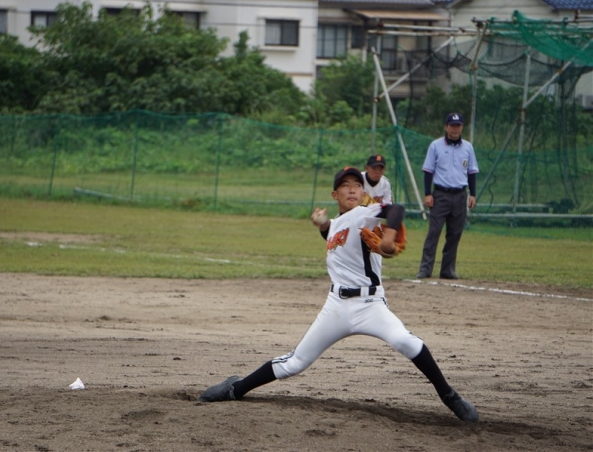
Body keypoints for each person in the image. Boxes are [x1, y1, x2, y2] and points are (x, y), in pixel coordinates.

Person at [198, 166, 479, 422]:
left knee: (405, 341)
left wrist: (389, 238)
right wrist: (322, 225)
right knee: (295, 362)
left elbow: (397, 209)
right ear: (335, 194)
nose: (352, 189)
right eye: (345, 185)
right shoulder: (335, 224)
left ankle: (449, 396)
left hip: (370, 305)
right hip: (336, 306)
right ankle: (236, 388)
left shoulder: (366, 213)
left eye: (357, 184)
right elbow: (334, 233)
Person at [416, 112, 479, 280]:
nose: (455, 129)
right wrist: (428, 193)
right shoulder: (436, 146)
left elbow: (471, 172)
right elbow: (428, 171)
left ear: (462, 127)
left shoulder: (468, 147)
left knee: (455, 233)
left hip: (460, 195)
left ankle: (447, 269)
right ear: (446, 127)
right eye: (452, 126)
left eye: (458, 126)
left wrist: (473, 194)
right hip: (441, 194)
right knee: (434, 232)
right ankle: (425, 269)